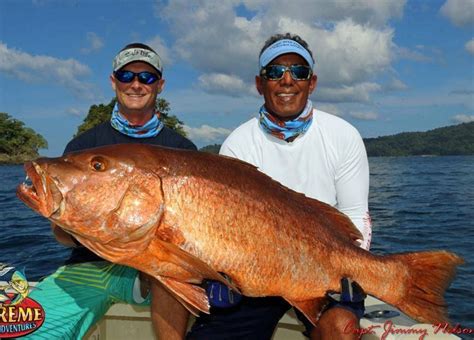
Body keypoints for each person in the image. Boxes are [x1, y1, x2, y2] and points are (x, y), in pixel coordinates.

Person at [185, 33, 372, 339]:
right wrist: (221, 274)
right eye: (275, 72)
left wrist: (352, 273)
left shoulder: (343, 135)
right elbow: (227, 229)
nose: (287, 80)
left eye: (298, 71)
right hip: (256, 278)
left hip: (324, 273)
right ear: (260, 83)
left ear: (311, 82)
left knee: (340, 329)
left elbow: (355, 214)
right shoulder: (238, 144)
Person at [27, 42, 196, 339]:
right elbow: (61, 236)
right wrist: (74, 225)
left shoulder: (182, 149)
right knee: (25, 329)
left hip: (161, 269)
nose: (135, 84)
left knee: (172, 267)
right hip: (90, 263)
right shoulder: (83, 146)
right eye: (126, 75)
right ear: (113, 81)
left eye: (146, 77)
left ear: (160, 85)